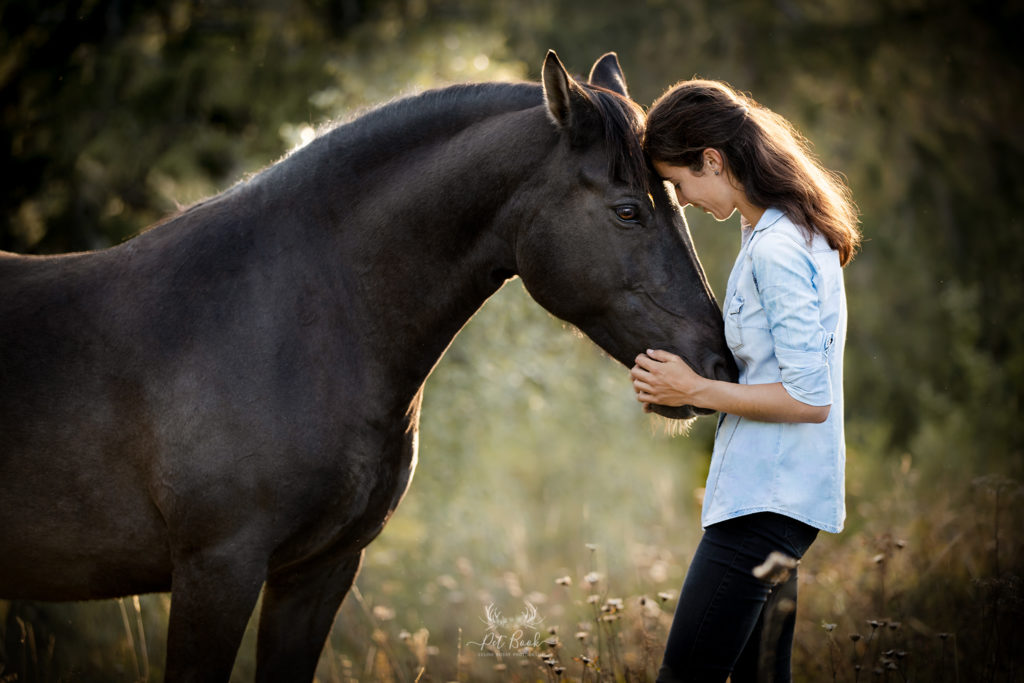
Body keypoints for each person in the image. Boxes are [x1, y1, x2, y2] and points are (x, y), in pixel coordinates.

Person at [630, 79, 861, 682]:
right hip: (778, 498)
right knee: (763, 676)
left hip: (767, 501)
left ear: (712, 159)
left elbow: (810, 399)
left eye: (678, 184)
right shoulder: (778, 232)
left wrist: (693, 390)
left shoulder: (777, 249)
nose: (679, 199)